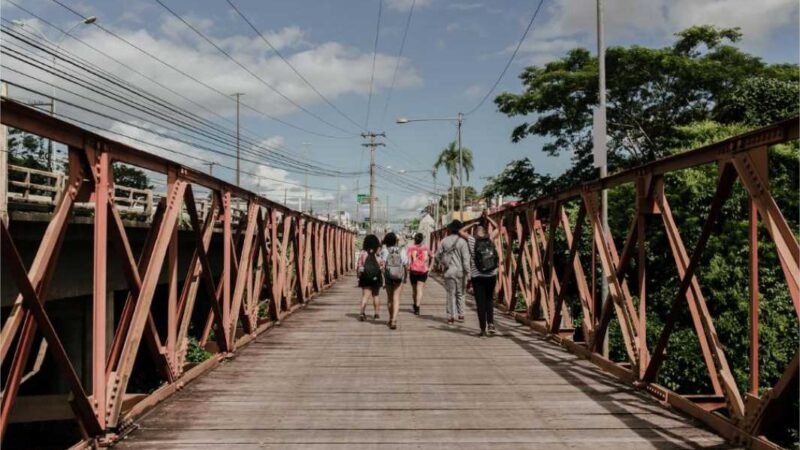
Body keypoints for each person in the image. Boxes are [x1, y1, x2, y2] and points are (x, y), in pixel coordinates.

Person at [460, 213, 500, 337]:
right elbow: (498, 227)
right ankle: (491, 324)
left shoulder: (472, 240)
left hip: (477, 276)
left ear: (476, 231)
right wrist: (488, 218)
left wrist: (473, 223)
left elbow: (461, 231)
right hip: (491, 274)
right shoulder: (490, 238)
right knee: (489, 300)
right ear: (485, 230)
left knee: (480, 303)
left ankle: (483, 329)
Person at [435, 220, 470, 324]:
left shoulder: (444, 241)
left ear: (450, 229)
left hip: (448, 271)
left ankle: (450, 317)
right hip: (460, 271)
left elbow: (437, 255)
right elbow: (466, 259)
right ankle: (461, 315)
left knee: (450, 294)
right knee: (461, 293)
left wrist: (442, 263)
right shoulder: (463, 242)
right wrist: (468, 273)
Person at [381, 232, 408, 330]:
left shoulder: (385, 251)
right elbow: (405, 264)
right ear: (396, 241)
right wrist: (406, 277)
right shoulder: (401, 250)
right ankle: (394, 320)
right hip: (398, 276)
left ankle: (390, 318)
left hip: (388, 276)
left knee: (389, 298)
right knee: (396, 298)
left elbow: (382, 267)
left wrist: (383, 280)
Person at [357, 234, 384, 321]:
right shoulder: (378, 253)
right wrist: (380, 271)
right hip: (376, 276)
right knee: (376, 295)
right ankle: (376, 314)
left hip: (365, 276)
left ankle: (362, 313)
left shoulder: (362, 253)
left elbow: (359, 265)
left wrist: (359, 276)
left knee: (365, 296)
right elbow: (382, 265)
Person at [406, 232, 432, 315]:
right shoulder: (426, 248)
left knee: (414, 290)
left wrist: (408, 266)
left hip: (413, 271)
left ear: (414, 239)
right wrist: (430, 267)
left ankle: (415, 305)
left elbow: (408, 259)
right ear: (422, 240)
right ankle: (417, 307)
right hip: (423, 271)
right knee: (419, 289)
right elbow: (433, 256)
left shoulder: (411, 248)